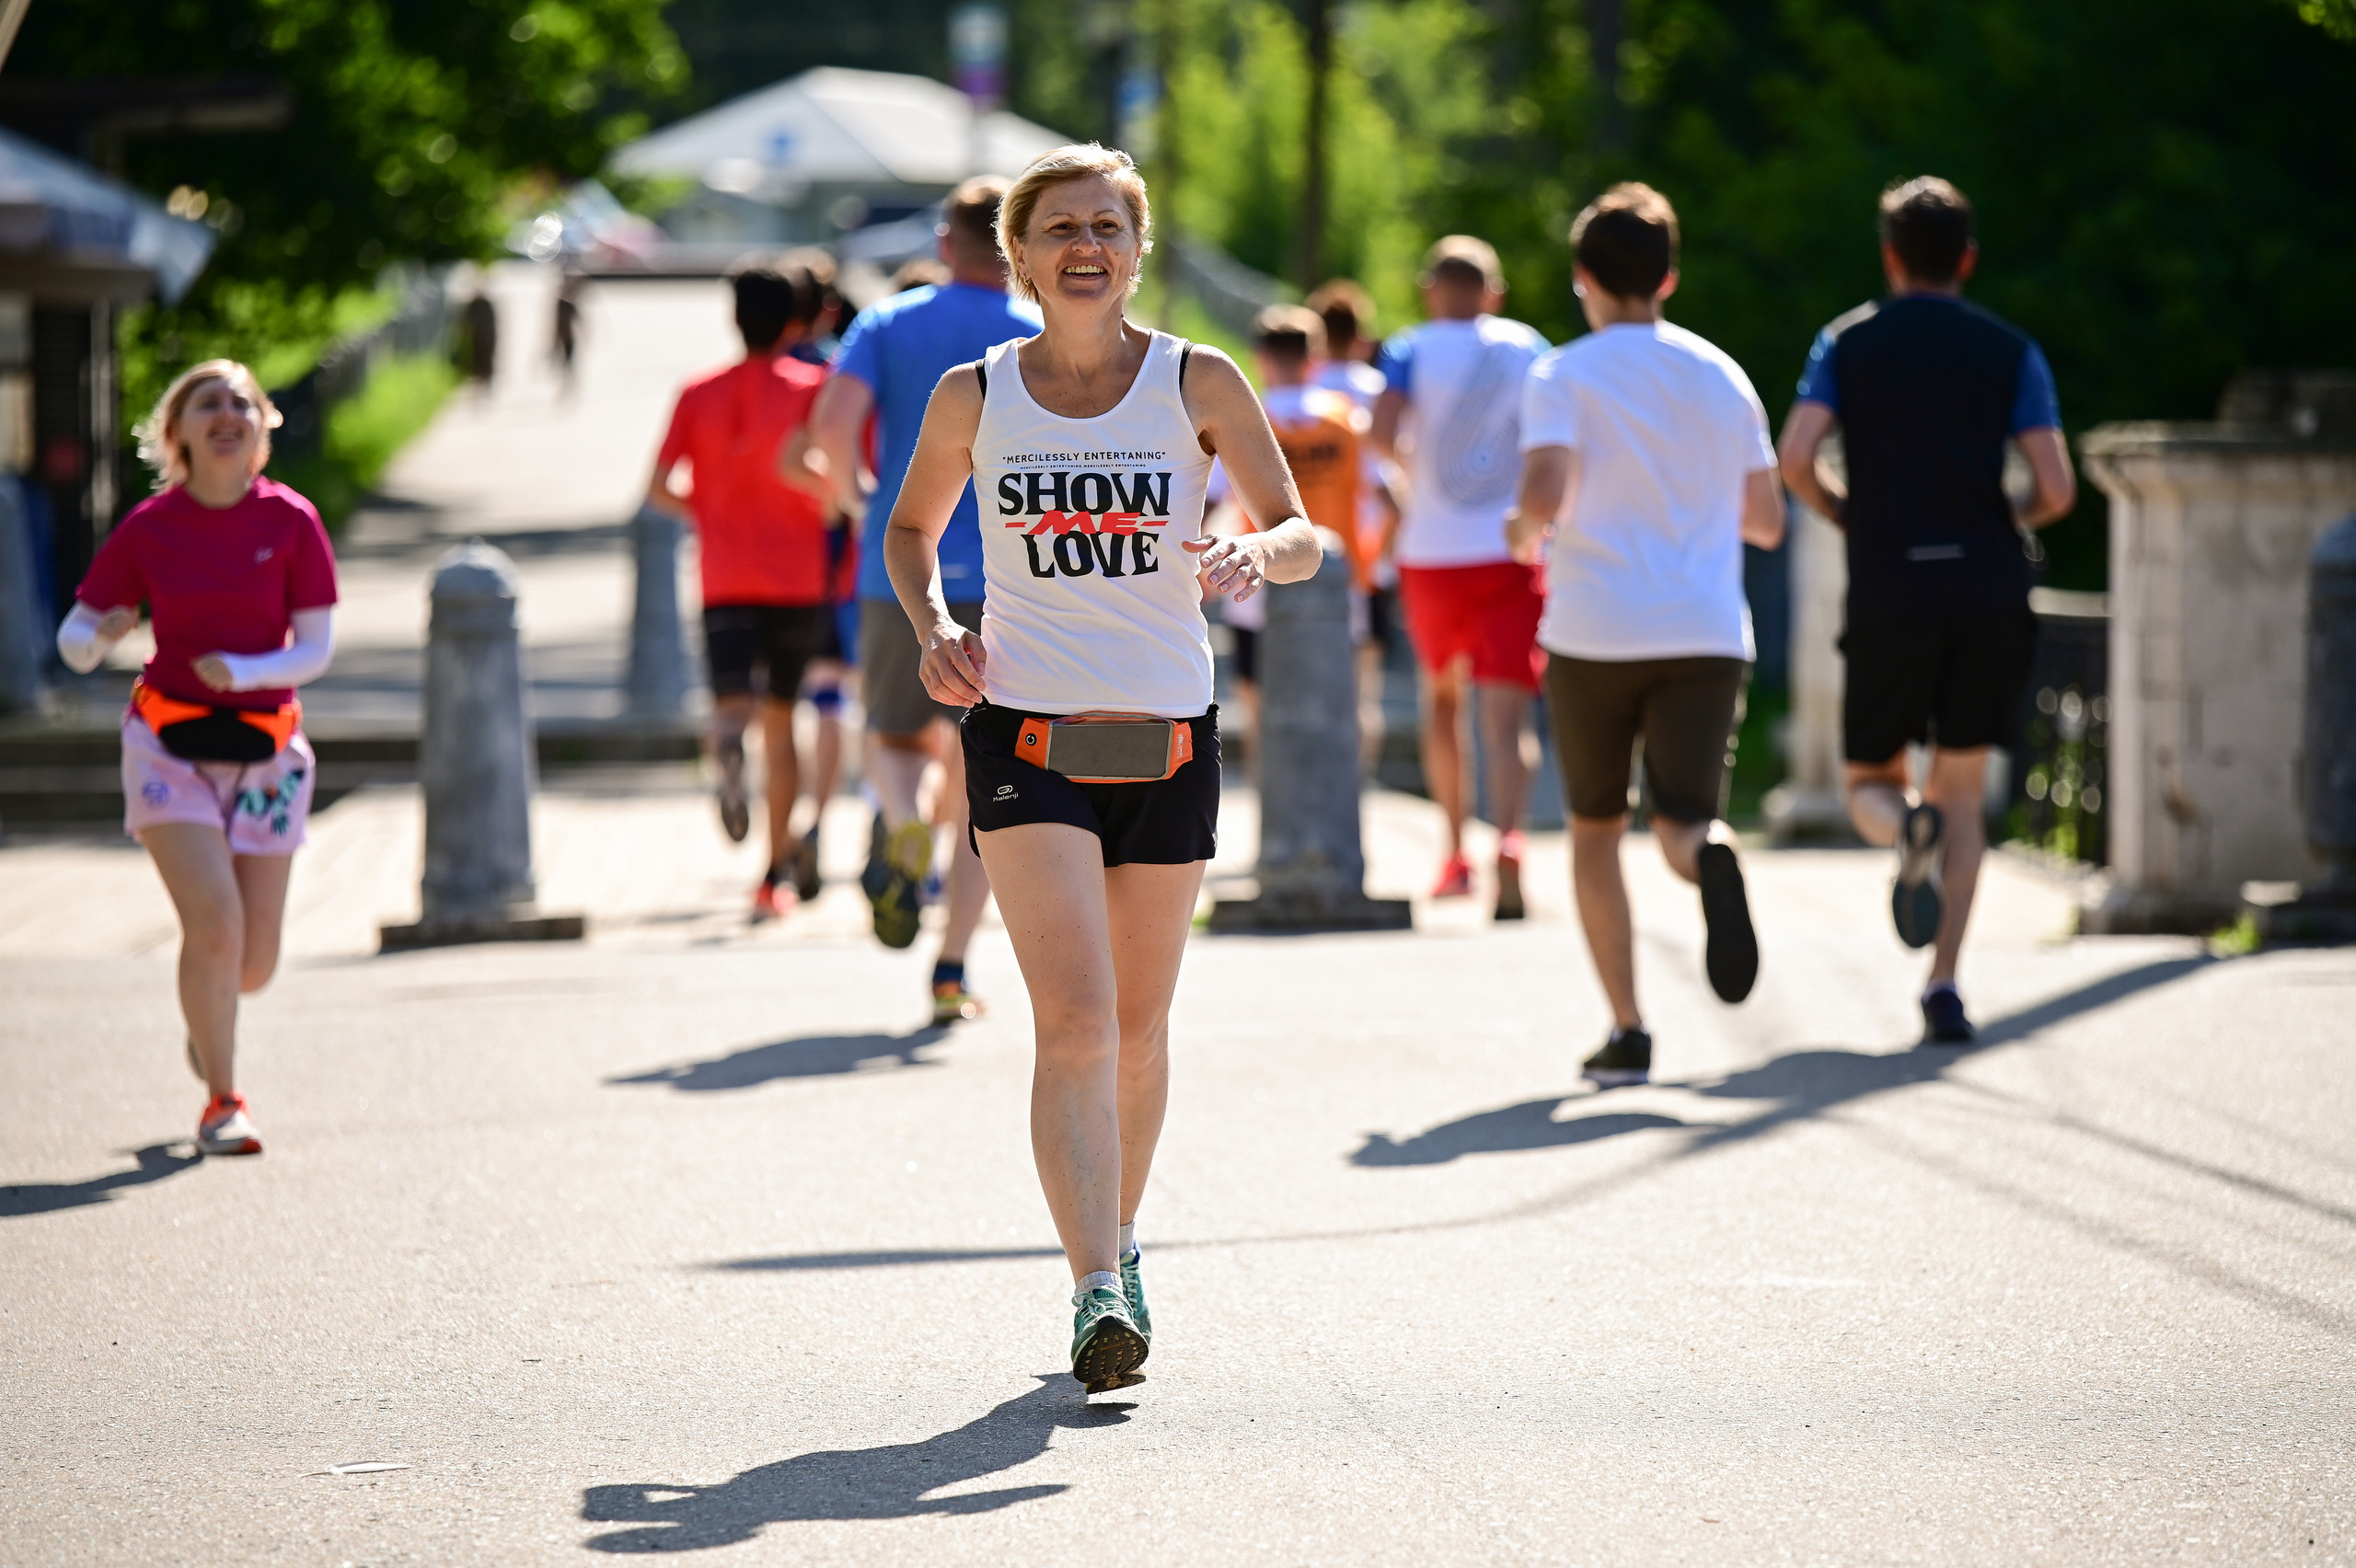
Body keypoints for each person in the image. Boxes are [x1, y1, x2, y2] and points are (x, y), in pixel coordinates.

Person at [885, 144, 1320, 1392]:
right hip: (1027, 736)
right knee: (1073, 1018)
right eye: (1060, 226)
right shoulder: (978, 395)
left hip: (1168, 734)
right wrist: (936, 629)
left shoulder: (1199, 378)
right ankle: (1091, 1294)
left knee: (1138, 1026)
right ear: (1018, 257)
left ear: (1136, 251)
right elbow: (910, 530)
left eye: (1108, 226)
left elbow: (1301, 532)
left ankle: (1121, 1240)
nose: (1086, 244)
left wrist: (1257, 552)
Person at [1777, 176, 2075, 1043]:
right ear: (1968, 260)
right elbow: (2054, 487)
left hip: (1891, 582)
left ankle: (1903, 828)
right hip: (1985, 589)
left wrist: (1845, 509)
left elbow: (1796, 457)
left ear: (1890, 256)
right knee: (1963, 795)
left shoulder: (1847, 342)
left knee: (1872, 779)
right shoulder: (2011, 350)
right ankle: (1944, 983)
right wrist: (1992, 516)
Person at [1507, 184, 1784, 1087]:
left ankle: (1627, 1028)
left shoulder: (1562, 374)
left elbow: (1543, 495)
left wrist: (1521, 531)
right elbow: (1766, 520)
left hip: (1594, 629)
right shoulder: (1721, 373)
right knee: (1683, 820)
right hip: (1705, 629)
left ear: (1584, 279)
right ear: (1668, 277)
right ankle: (1709, 861)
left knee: (1593, 828)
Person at [54, 360, 339, 1158]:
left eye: (242, 403)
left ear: (262, 429)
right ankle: (223, 1100)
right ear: (176, 433)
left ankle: (208, 1029)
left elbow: (317, 647)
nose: (227, 413)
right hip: (166, 746)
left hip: (267, 752)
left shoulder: (292, 522)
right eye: (207, 403)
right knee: (213, 928)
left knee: (253, 964)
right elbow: (74, 641)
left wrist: (245, 673)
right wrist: (99, 637)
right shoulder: (149, 527)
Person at [787, 177, 1041, 1025]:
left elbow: (830, 422)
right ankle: (952, 970)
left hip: (901, 570)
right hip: (1013, 580)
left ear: (943, 244)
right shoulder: (1033, 335)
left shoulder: (890, 322)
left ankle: (900, 819)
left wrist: (864, 499)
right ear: (1014, 250)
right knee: (983, 784)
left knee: (894, 735)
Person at [647, 256, 835, 921]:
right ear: (794, 319)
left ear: (733, 318)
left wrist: (707, 510)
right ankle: (771, 875)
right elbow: (837, 477)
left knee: (734, 706)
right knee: (784, 723)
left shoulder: (697, 392)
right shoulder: (817, 385)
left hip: (724, 577)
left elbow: (657, 487)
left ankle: (726, 743)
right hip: (796, 577)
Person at [1370, 236, 1549, 918]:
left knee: (1442, 702)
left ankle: (1454, 851)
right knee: (1507, 716)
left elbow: (1381, 432)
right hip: (1510, 549)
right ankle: (1509, 838)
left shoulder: (1410, 347)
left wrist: (1416, 469)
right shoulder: (1528, 345)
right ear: (1494, 292)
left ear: (1429, 290)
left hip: (1431, 553)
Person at [1205, 306, 1371, 765]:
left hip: (1257, 587)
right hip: (1340, 582)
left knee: (1260, 709)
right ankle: (1347, 801)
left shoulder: (1245, 423)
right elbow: (1383, 497)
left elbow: (1212, 503)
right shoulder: (1348, 421)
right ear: (1314, 358)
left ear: (1260, 358)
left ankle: (1271, 815)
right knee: (1345, 703)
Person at [1307, 278, 1403, 769]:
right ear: (1363, 336)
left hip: (1311, 558)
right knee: (1363, 692)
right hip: (1369, 559)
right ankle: (1354, 794)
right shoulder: (1377, 394)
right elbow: (1394, 485)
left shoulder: (1305, 391)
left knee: (1309, 686)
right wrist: (1384, 556)